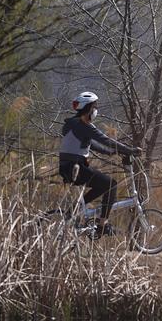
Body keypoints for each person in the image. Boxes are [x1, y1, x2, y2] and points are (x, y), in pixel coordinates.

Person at [59, 91, 142, 235]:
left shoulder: (73, 124)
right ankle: (103, 225)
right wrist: (130, 150)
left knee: (103, 186)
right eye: (95, 107)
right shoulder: (83, 125)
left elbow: (92, 144)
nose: (96, 110)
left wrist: (112, 152)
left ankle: (74, 210)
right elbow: (105, 139)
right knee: (111, 185)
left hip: (69, 167)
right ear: (88, 109)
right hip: (75, 168)